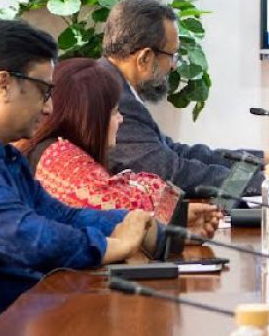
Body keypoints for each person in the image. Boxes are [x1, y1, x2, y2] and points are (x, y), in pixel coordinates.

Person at [0, 19, 157, 335]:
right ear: (4, 84)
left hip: (22, 317)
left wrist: (137, 223)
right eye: (44, 91)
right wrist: (109, 246)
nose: (49, 108)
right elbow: (25, 237)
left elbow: (58, 214)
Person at [101, 0, 269, 194]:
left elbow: (177, 153)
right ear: (145, 57)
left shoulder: (113, 84)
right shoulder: (114, 98)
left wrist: (262, 160)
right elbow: (172, 173)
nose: (173, 66)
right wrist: (261, 182)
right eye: (172, 55)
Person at [16, 58, 220, 238]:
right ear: (88, 118)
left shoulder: (56, 150)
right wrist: (166, 207)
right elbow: (128, 207)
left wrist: (173, 225)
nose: (121, 120)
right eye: (114, 112)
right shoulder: (60, 158)